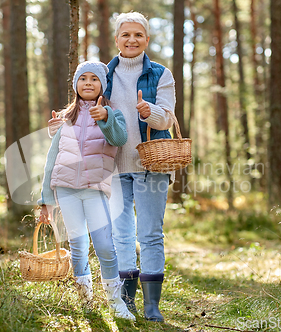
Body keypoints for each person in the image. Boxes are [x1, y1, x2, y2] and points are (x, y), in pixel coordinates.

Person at [38, 61, 135, 321]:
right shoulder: (66, 118)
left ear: (102, 84)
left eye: (94, 78)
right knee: (78, 245)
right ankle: (85, 300)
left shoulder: (112, 113)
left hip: (94, 190)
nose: (88, 83)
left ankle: (116, 303)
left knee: (104, 245)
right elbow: (52, 159)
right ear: (76, 85)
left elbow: (119, 139)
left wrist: (105, 119)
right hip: (66, 190)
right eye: (83, 79)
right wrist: (45, 201)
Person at [103, 12, 176, 322]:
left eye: (138, 35)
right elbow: (84, 112)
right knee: (121, 235)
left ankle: (151, 306)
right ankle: (127, 301)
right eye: (125, 35)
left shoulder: (161, 74)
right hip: (114, 165)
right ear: (117, 39)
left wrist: (150, 111)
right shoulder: (102, 74)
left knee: (149, 234)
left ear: (147, 39)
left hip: (152, 163)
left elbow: (167, 119)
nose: (131, 40)